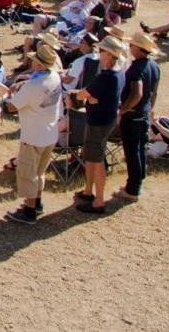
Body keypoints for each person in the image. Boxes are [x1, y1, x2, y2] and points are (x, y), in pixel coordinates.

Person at [4, 44, 63, 224]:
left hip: (33, 134)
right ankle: (37, 202)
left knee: (28, 172)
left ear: (38, 64)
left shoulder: (33, 85)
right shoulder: (54, 77)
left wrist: (7, 97)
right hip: (50, 131)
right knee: (40, 171)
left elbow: (12, 106)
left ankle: (29, 210)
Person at [69, 35, 125, 214]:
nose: (99, 54)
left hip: (99, 122)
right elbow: (91, 95)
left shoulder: (106, 76)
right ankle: (88, 191)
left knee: (97, 160)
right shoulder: (113, 74)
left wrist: (78, 94)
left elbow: (84, 94)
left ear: (109, 54)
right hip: (102, 120)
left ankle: (98, 200)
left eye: (102, 51)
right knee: (91, 157)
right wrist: (89, 97)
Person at [115, 31, 160, 202]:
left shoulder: (135, 69)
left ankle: (132, 190)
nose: (129, 47)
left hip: (133, 116)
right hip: (143, 114)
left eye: (132, 45)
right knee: (140, 149)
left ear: (139, 48)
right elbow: (154, 92)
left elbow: (137, 94)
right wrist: (150, 108)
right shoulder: (154, 66)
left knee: (132, 152)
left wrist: (123, 110)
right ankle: (136, 183)